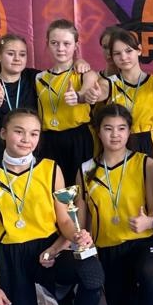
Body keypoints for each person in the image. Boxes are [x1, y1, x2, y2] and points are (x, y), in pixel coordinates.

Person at [0, 109, 112, 305]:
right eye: (19, 132)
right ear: (3, 133)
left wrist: (76, 235)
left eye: (34, 133)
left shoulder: (50, 169)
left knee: (92, 273)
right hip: (12, 258)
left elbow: (64, 220)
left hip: (49, 251)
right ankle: (37, 295)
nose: (26, 139)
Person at [77, 104, 153, 305]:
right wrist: (80, 237)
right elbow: (81, 220)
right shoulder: (85, 170)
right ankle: (146, 298)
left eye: (121, 128)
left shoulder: (144, 163)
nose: (115, 134)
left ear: (129, 131)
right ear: (98, 132)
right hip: (107, 250)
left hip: (141, 243)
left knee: (151, 272)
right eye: (108, 128)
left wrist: (148, 222)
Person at [36, 19, 102, 188]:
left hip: (78, 138)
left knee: (81, 188)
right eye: (54, 43)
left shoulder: (84, 73)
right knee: (54, 188)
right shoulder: (38, 78)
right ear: (47, 44)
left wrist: (79, 96)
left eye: (66, 43)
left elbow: (88, 90)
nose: (61, 48)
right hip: (48, 140)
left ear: (75, 46)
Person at [95, 29, 153, 160]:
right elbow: (96, 94)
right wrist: (86, 96)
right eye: (117, 53)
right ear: (112, 56)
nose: (123, 57)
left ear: (139, 50)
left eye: (128, 51)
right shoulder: (106, 83)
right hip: (115, 142)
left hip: (146, 144)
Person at [0, 35, 39, 167]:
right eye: (11, 54)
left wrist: (79, 63)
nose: (17, 58)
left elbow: (59, 73)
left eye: (22, 54)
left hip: (30, 148)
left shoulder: (34, 77)